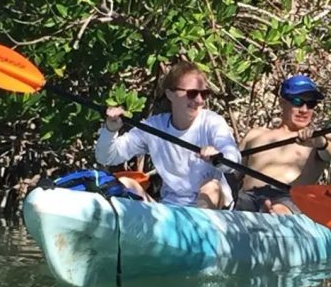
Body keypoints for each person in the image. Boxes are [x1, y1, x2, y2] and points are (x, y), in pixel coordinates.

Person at [95, 59, 240, 209]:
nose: (199, 100)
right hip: (170, 210)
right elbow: (106, 157)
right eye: (192, 93)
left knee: (211, 186)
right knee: (125, 183)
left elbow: (233, 159)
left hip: (214, 211)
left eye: (204, 94)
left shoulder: (212, 121)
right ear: (170, 94)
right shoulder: (154, 126)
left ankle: (196, 229)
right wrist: (110, 130)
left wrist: (218, 157)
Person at [235, 74, 331, 214]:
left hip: (291, 199)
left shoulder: (322, 138)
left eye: (311, 104)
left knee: (279, 209)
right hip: (249, 198)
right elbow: (232, 174)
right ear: (282, 102)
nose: (304, 110)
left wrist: (319, 142)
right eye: (297, 101)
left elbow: (330, 153)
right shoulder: (254, 135)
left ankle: (272, 215)